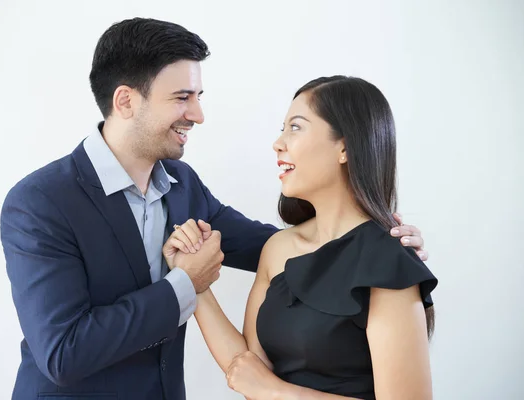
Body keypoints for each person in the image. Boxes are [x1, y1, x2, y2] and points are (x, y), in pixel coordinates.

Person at [0, 17, 429, 400]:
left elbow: (296, 251)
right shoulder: (39, 204)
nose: (199, 114)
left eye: (198, 95)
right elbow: (62, 353)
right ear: (126, 101)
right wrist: (186, 283)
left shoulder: (183, 187)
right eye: (183, 97)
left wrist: (383, 248)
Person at [165, 76, 438, 400]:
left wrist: (274, 391)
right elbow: (247, 367)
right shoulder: (279, 249)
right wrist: (193, 281)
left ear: (345, 147)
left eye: (295, 127)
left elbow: (261, 385)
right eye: (283, 128)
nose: (278, 143)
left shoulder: (387, 262)